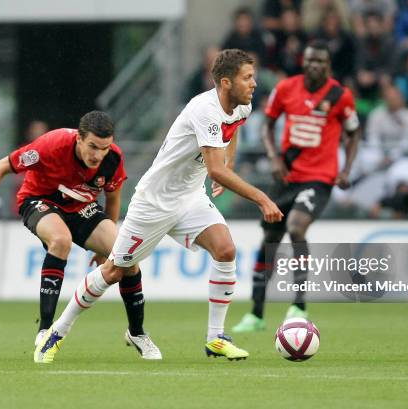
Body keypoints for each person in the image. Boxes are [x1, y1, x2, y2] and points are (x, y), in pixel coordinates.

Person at [34, 49, 283, 363]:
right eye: (247, 78)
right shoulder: (203, 110)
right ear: (225, 82)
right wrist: (260, 197)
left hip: (190, 197)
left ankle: (215, 338)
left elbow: (232, 133)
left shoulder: (241, 106)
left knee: (225, 250)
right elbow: (216, 169)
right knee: (112, 271)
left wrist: (228, 160)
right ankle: (58, 330)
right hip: (154, 202)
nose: (254, 83)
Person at [0, 111, 161, 359]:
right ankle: (45, 330)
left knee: (127, 257)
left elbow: (113, 198)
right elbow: (0, 167)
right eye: (92, 146)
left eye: (104, 148)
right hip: (39, 200)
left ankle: (137, 332)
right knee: (61, 241)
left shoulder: (113, 158)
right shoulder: (51, 145)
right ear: (78, 139)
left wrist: (107, 250)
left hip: (81, 207)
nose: (98, 155)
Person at [232, 41, 361, 333]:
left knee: (297, 226)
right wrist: (274, 157)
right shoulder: (286, 88)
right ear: (303, 62)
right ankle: (256, 313)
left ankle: (298, 304)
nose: (315, 66)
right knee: (270, 240)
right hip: (287, 177)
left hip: (320, 178)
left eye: (321, 62)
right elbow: (267, 124)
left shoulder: (340, 96)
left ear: (328, 66)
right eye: (311, 60)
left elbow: (354, 132)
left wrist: (346, 169)